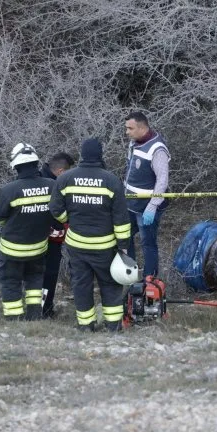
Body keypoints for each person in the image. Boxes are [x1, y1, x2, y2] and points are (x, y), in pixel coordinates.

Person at [49, 138, 131, 332]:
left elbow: (55, 208)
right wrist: (123, 246)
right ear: (100, 155)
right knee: (110, 285)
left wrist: (69, 220)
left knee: (81, 285)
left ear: (82, 155)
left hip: (77, 245)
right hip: (105, 246)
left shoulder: (65, 178)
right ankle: (113, 326)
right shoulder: (111, 180)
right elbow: (120, 218)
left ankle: (86, 325)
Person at [0, 143, 56, 321]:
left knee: (11, 282)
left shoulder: (8, 190)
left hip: (12, 250)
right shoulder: (52, 186)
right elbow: (56, 212)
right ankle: (34, 317)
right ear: (36, 163)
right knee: (35, 282)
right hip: (39, 248)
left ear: (16, 166)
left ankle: (15, 320)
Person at [124, 111, 170, 278]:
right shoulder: (134, 143)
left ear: (142, 128)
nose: (127, 132)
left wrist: (153, 205)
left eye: (130, 128)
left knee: (147, 243)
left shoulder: (157, 149)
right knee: (125, 237)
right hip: (130, 204)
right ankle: (130, 274)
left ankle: (150, 280)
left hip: (147, 208)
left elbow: (162, 180)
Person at [39, 152, 76, 318]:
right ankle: (45, 310)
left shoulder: (39, 178)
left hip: (37, 237)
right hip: (50, 238)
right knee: (48, 274)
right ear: (61, 171)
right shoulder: (54, 184)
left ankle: (40, 308)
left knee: (36, 276)